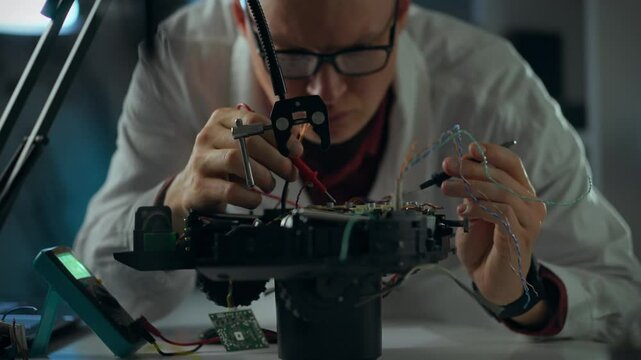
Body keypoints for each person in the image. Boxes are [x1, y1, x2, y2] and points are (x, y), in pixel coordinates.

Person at [74, 0, 641, 341]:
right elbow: (91, 288)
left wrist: (523, 295)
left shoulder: (492, 88)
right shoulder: (181, 57)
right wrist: (171, 209)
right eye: (292, 58)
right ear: (242, 22)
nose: (327, 92)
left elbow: (624, 294)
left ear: (401, 13)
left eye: (359, 53)